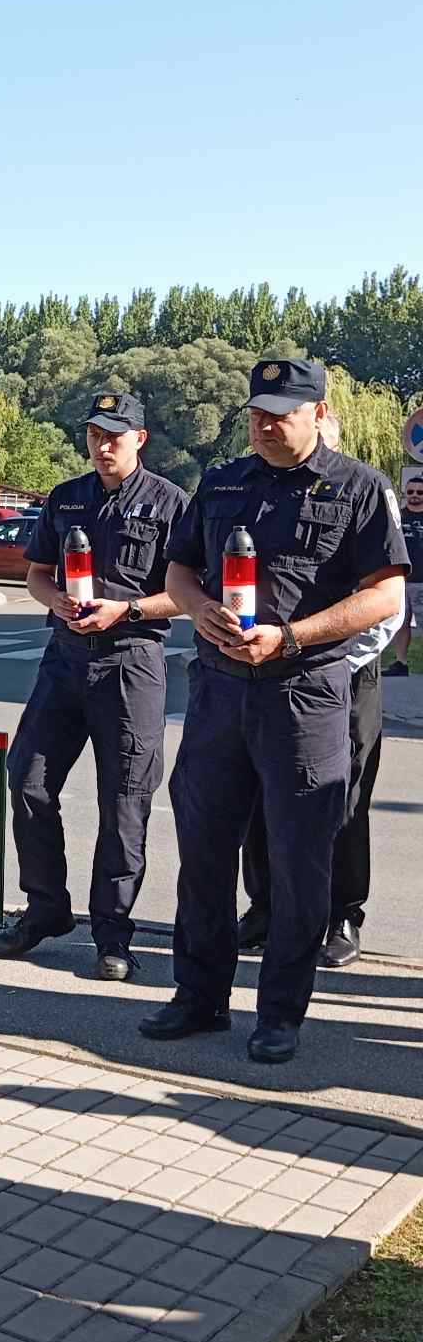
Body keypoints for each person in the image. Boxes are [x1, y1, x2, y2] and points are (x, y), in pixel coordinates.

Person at [144, 358, 409, 1064]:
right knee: (203, 852)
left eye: (281, 414)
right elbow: (179, 572)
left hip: (306, 695)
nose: (264, 425)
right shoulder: (224, 480)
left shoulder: (359, 487)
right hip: (219, 693)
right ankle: (199, 998)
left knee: (298, 862)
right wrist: (199, 611)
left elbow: (386, 597)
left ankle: (280, 1015)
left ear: (318, 413)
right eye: (257, 412)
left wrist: (291, 636)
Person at [0, 392, 189, 980]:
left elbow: (187, 595)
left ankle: (113, 935)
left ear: (140, 439)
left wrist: (125, 611)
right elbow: (36, 574)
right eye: (95, 435)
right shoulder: (66, 497)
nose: (103, 447)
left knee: (125, 800)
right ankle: (46, 909)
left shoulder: (172, 504)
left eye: (115, 436)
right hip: (65, 660)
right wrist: (54, 600)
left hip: (132, 661)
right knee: (26, 779)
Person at [236, 413, 402, 970]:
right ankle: (265, 906)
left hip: (347, 674)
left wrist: (322, 654)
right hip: (273, 671)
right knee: (262, 792)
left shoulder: (364, 496)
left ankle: (343, 915)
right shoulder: (260, 497)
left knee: (344, 797)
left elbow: (384, 607)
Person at [384, 472, 423, 677]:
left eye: (419, 492)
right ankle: (401, 663)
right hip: (401, 580)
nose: (415, 495)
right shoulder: (397, 516)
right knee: (401, 622)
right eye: (410, 492)